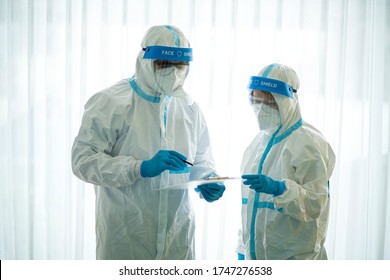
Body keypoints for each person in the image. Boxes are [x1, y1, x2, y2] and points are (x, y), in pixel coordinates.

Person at [71, 25, 225, 260]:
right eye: (163, 64)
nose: (173, 73)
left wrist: (207, 179)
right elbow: (83, 161)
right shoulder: (111, 102)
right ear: (145, 59)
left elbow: (201, 159)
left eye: (180, 66)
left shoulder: (189, 108)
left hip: (178, 237)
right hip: (126, 237)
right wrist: (138, 168)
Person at [236, 63, 336, 260]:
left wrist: (280, 189)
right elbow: (249, 207)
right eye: (257, 101)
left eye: (269, 102)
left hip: (296, 257)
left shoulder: (307, 142)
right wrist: (243, 249)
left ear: (287, 101)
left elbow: (316, 204)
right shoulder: (257, 144)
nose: (261, 109)